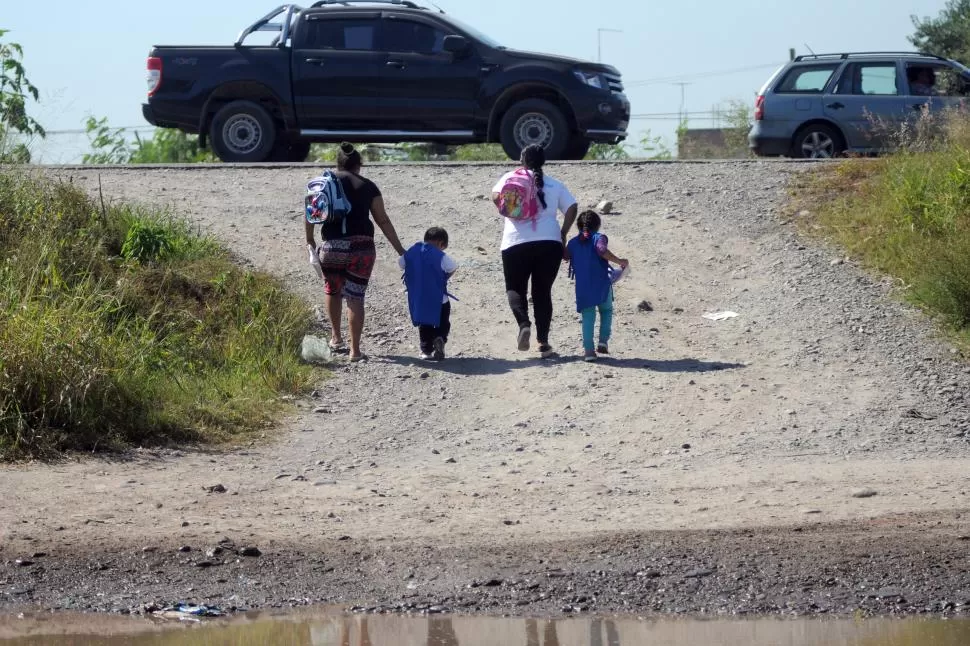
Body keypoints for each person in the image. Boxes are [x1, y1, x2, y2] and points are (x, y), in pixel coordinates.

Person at [305, 142, 407, 362]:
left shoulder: (325, 183)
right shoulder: (369, 186)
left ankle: (336, 338)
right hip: (362, 247)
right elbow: (382, 219)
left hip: (332, 246)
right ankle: (355, 351)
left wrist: (310, 240)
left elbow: (310, 213)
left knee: (332, 289)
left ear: (337, 163)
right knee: (355, 296)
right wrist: (400, 250)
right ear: (359, 164)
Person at [491, 144, 578, 358]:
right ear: (543, 161)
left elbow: (494, 196)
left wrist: (510, 210)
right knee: (542, 291)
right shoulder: (555, 184)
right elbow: (572, 207)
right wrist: (564, 232)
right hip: (550, 242)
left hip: (515, 242)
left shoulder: (510, 178)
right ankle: (543, 343)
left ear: (522, 160)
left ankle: (523, 325)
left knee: (515, 288)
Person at [565, 210, 629, 362]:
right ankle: (603, 341)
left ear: (579, 226)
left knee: (588, 317)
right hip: (601, 285)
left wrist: (562, 239)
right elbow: (601, 250)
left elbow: (566, 256)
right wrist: (619, 261)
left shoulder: (573, 242)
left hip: (583, 288)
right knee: (606, 310)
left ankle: (588, 351)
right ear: (597, 225)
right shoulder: (599, 238)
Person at [399, 227, 458, 361]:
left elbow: (401, 263)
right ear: (440, 243)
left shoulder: (413, 251)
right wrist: (445, 278)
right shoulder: (440, 256)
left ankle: (426, 351)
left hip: (420, 300)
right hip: (440, 300)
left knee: (424, 325)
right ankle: (440, 338)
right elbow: (453, 267)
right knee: (443, 323)